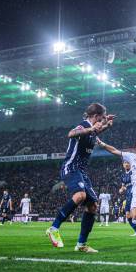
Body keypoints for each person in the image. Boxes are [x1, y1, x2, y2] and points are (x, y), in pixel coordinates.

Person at [45, 103, 115, 253]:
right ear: (95, 116)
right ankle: (53, 228)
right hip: (71, 167)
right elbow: (71, 133)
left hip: (82, 171)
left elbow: (96, 131)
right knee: (80, 195)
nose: (102, 120)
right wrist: (92, 128)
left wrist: (107, 125)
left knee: (92, 207)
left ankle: (81, 244)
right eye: (101, 118)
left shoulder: (92, 130)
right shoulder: (83, 125)